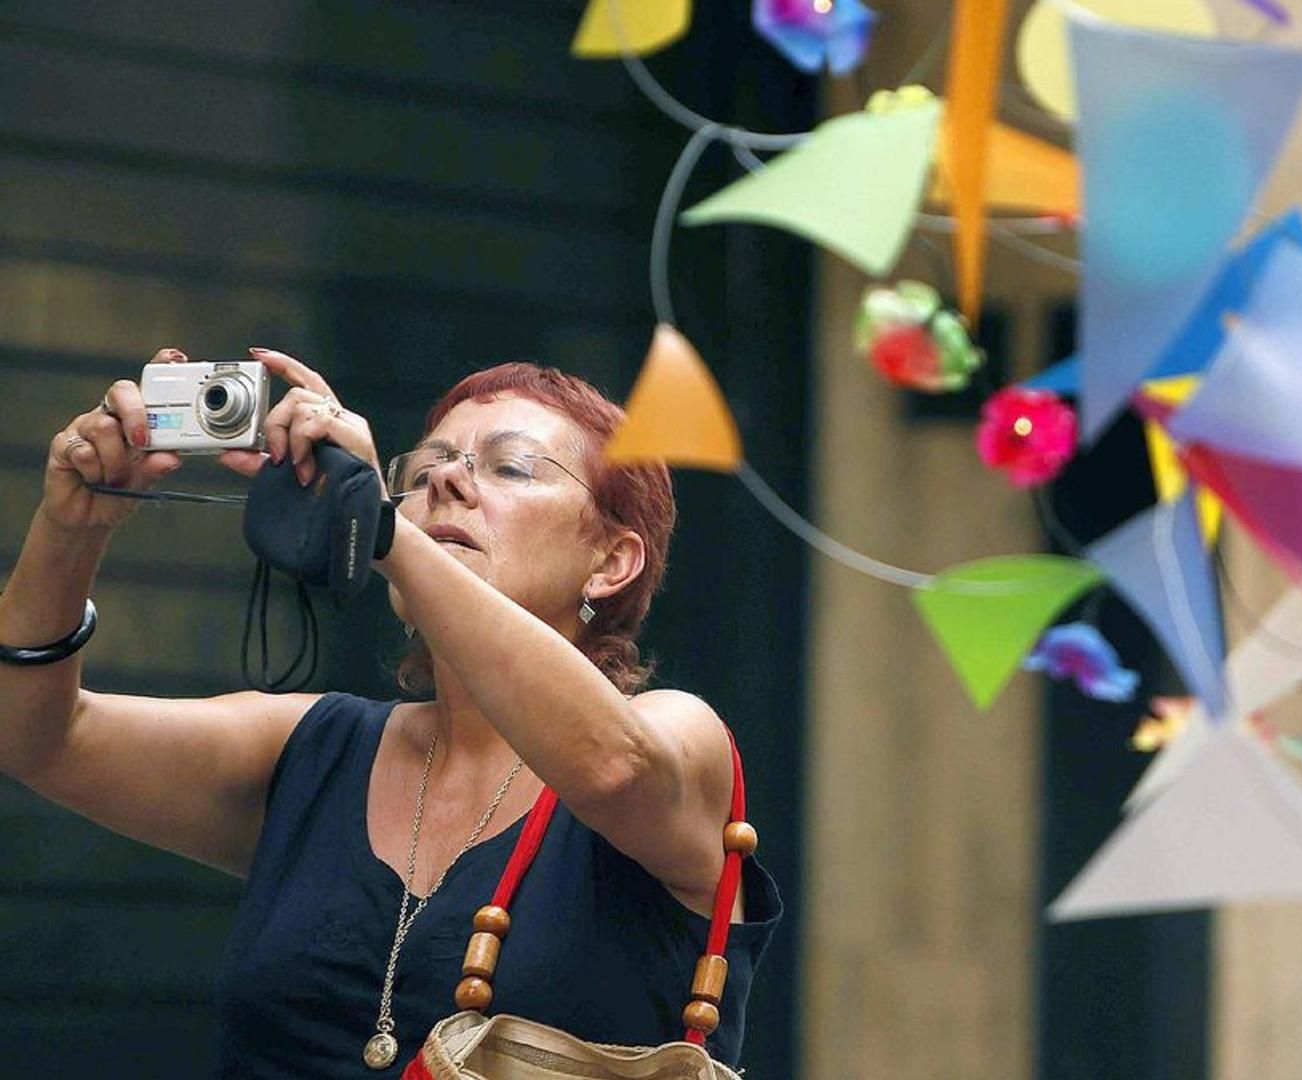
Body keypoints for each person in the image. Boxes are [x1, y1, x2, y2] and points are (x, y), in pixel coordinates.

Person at [0, 347, 781, 1077]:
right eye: (425, 468)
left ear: (612, 562)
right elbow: (38, 737)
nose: (447, 483)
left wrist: (380, 528)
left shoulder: (679, 735)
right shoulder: (312, 748)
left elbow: (614, 768)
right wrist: (69, 531)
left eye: (510, 467)